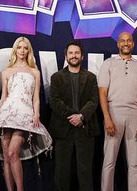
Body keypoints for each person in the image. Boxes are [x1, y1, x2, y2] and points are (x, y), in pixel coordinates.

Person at [0, 36, 52, 191]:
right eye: (19, 47)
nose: (22, 51)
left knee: (12, 152)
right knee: (6, 156)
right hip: (7, 113)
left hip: (24, 114)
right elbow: (4, 97)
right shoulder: (6, 72)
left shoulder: (35, 72)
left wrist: (36, 114)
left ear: (29, 50)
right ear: (15, 50)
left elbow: (36, 98)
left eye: (25, 48)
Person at [98, 31, 137, 191]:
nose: (126, 43)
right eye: (122, 40)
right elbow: (102, 93)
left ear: (133, 44)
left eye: (129, 40)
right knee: (109, 161)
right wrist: (107, 118)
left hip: (135, 115)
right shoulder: (108, 63)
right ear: (118, 44)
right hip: (113, 113)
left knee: (134, 163)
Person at [49, 40, 99, 191]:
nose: (74, 55)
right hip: (63, 129)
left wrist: (81, 116)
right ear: (66, 56)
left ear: (82, 56)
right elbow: (55, 101)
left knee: (85, 172)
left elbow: (93, 100)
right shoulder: (56, 77)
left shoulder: (91, 77)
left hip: (85, 128)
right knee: (61, 172)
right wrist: (74, 116)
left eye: (77, 53)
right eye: (70, 53)